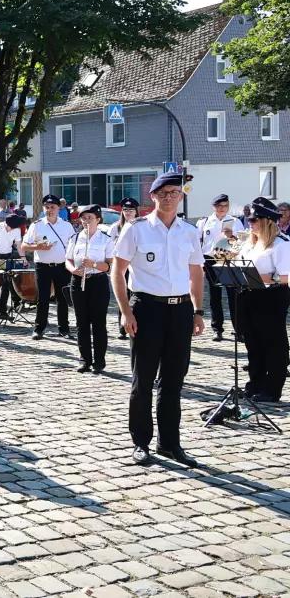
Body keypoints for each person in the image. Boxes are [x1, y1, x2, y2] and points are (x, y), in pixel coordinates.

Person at [111, 172, 204, 467]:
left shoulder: (188, 232)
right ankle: (141, 442)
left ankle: (170, 442)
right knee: (143, 379)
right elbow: (118, 271)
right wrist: (125, 311)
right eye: (162, 193)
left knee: (174, 380)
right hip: (147, 308)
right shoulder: (137, 229)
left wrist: (198, 310)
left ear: (181, 196)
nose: (168, 198)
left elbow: (196, 273)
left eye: (174, 192)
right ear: (152, 197)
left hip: (179, 311)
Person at [236, 198, 290, 402]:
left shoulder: (281, 244)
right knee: (253, 344)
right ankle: (255, 383)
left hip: (271, 297)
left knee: (273, 345)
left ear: (267, 221)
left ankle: (272, 388)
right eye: (249, 220)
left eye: (254, 220)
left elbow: (285, 278)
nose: (250, 224)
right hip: (249, 295)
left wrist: (259, 276)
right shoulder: (251, 244)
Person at [66, 205, 115, 373]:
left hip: (98, 282)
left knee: (98, 323)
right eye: (83, 218)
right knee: (81, 323)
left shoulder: (105, 239)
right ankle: (85, 359)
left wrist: (93, 264)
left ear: (98, 220)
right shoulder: (75, 238)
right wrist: (74, 270)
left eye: (90, 218)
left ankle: (99, 361)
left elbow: (109, 265)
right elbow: (68, 260)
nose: (86, 221)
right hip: (78, 281)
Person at [22, 194, 75, 340]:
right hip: (43, 266)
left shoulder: (66, 225)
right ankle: (39, 328)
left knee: (62, 298)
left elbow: (73, 246)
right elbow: (24, 245)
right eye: (47, 207)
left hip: (62, 266)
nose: (49, 210)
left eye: (52, 207)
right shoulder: (37, 225)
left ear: (59, 208)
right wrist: (37, 246)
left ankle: (64, 329)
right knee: (43, 298)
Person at [198, 194, 239, 342]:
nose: (222, 209)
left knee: (232, 295)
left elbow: (242, 243)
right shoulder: (204, 222)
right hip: (210, 259)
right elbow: (198, 243)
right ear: (213, 207)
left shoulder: (235, 221)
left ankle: (238, 329)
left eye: (225, 206)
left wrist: (232, 236)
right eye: (219, 206)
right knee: (214, 296)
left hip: (228, 260)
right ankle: (217, 329)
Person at [109, 197, 141, 339]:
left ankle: (136, 323)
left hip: (137, 266)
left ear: (136, 211)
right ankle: (122, 326)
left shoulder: (140, 226)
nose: (128, 212)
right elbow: (109, 247)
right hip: (121, 265)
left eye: (131, 210)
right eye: (125, 210)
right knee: (122, 295)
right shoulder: (115, 227)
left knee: (135, 295)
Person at [0, 214, 25, 320]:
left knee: (6, 285)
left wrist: (23, 257)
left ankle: (2, 312)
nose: (16, 228)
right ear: (8, 225)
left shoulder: (16, 230)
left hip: (8, 256)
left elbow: (18, 244)